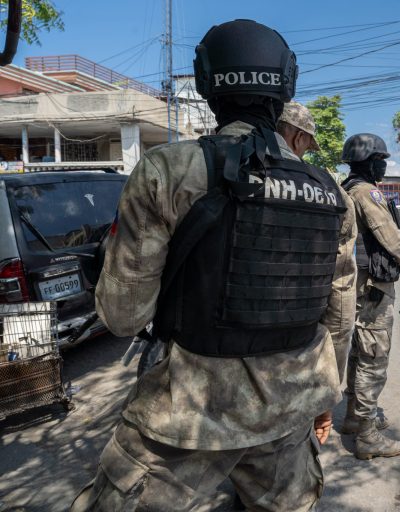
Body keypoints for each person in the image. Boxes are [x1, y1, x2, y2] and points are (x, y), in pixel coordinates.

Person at [71, 20, 357, 512]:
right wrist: (323, 400)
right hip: (289, 420)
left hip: (184, 421)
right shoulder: (331, 193)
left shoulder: (168, 171)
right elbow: (339, 317)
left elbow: (124, 316)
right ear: (285, 85)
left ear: (206, 84)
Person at [340, 133, 400, 460]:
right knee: (373, 358)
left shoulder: (346, 188)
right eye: (382, 161)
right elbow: (391, 237)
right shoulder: (367, 192)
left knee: (360, 354)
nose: (385, 167)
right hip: (372, 288)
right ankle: (367, 435)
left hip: (357, 286)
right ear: (371, 162)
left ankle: (352, 419)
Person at [277, 100, 357, 382]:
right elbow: (340, 301)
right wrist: (329, 385)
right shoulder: (328, 189)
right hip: (292, 352)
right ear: (299, 138)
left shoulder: (203, 166)